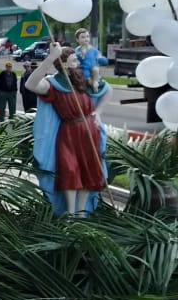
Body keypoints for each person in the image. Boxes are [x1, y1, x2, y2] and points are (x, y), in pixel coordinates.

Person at [25, 42, 113, 219]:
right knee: (70, 170)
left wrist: (98, 112)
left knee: (89, 170)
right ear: (63, 64)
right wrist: (49, 58)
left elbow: (108, 90)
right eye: (73, 61)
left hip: (89, 131)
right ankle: (70, 214)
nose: (78, 64)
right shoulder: (54, 84)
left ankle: (82, 212)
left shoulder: (84, 81)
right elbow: (31, 84)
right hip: (69, 133)